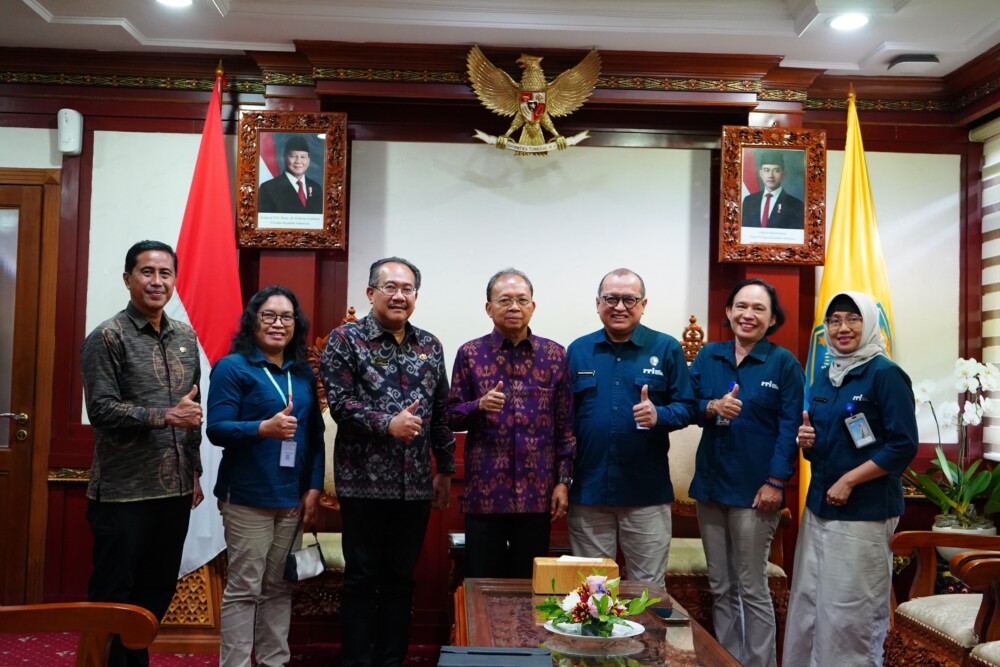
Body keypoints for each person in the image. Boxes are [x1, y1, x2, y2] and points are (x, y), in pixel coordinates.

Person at [319, 256, 456, 667]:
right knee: (361, 579)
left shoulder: (430, 345)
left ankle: (392, 660)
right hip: (362, 484)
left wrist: (446, 469)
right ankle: (357, 661)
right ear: (370, 293)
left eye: (407, 289)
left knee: (400, 580)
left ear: (416, 296)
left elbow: (441, 412)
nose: (399, 296)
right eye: (390, 287)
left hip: (415, 486)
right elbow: (341, 405)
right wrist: (388, 424)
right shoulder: (345, 340)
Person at [80, 240, 204, 667]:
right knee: (114, 598)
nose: (156, 281)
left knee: (157, 592)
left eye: (165, 273)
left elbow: (193, 412)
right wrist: (166, 416)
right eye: (147, 272)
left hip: (174, 490)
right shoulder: (107, 336)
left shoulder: (186, 336)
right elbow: (101, 410)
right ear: (128, 278)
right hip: (123, 494)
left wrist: (194, 471)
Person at [783, 291, 918, 666]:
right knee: (811, 604)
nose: (842, 328)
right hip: (819, 508)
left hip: (864, 512)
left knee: (849, 611)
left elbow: (903, 445)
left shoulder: (885, 374)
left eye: (852, 319)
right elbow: (826, 445)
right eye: (834, 320)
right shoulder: (826, 375)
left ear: (869, 323)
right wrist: (807, 442)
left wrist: (850, 481)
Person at [207, 285, 325, 667]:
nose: (278, 323)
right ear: (253, 321)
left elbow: (316, 436)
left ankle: (274, 662)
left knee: (280, 587)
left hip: (292, 498)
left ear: (296, 324)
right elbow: (217, 429)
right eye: (269, 315)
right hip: (247, 497)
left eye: (286, 316)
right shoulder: (233, 367)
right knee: (244, 589)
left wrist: (314, 487)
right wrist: (262, 429)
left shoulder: (301, 372)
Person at [688, 278, 804, 667]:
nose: (748, 314)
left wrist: (776, 482)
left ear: (772, 319)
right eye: (741, 306)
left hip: (757, 491)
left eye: (758, 308)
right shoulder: (709, 355)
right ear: (728, 311)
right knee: (720, 586)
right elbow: (686, 404)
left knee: (752, 587)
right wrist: (711, 406)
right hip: (711, 486)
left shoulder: (783, 363)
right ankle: (728, 660)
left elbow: (790, 427)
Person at [566, 268, 697, 584]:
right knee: (593, 589)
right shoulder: (578, 350)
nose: (619, 307)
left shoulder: (665, 348)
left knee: (647, 589)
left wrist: (660, 415)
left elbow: (689, 407)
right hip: (589, 491)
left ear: (643, 304)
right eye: (611, 299)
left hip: (645, 492)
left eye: (629, 299)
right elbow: (564, 418)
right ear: (598, 303)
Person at [446, 268, 575, 578]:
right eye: (504, 300)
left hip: (536, 493)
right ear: (489, 308)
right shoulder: (470, 354)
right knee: (481, 582)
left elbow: (565, 426)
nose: (514, 307)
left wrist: (562, 481)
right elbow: (449, 416)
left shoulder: (554, 355)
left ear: (533, 306)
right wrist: (478, 405)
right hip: (485, 494)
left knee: (529, 584)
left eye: (522, 300)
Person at [258, 135, 323, 214]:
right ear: (284, 157)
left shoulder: (316, 188)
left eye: (303, 157)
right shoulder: (268, 188)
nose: (298, 161)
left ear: (309, 160)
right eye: (293, 156)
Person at [741, 151, 805, 229]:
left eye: (776, 170)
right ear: (761, 174)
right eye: (766, 170)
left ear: (783, 174)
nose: (771, 175)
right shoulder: (748, 201)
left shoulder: (796, 205)